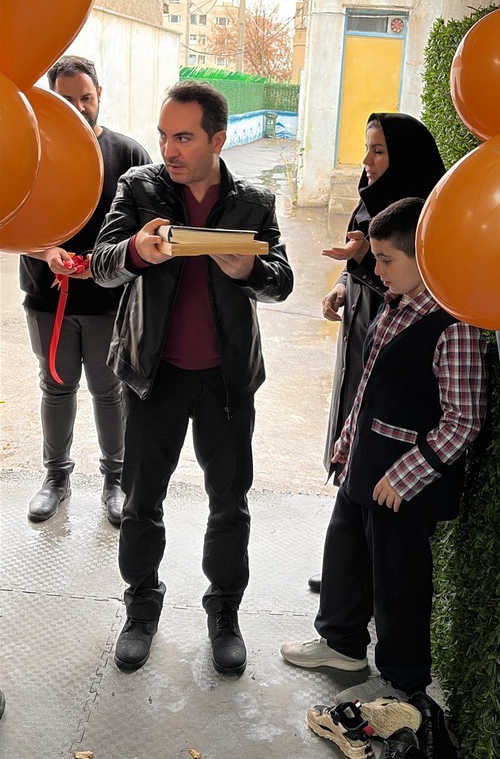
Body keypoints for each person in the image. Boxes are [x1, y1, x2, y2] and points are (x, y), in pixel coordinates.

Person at [90, 79, 294, 676]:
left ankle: (224, 612)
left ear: (218, 140)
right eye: (163, 136)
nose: (168, 150)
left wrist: (250, 270)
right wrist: (136, 251)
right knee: (141, 502)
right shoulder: (140, 188)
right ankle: (141, 608)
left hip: (226, 382)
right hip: (152, 375)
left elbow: (281, 281)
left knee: (229, 504)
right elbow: (102, 266)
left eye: (183, 138)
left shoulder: (254, 201)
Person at [281, 197, 487, 709]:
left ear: (425, 256)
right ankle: (341, 643)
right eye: (375, 258)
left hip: (402, 484)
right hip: (363, 464)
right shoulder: (395, 304)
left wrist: (405, 476)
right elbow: (369, 384)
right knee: (345, 551)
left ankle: (401, 680)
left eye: (387, 259)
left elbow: (464, 420)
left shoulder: (453, 325)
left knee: (400, 581)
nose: (377, 271)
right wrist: (347, 442)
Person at [309, 112, 446, 593]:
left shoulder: (423, 214)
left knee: (378, 442)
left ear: (405, 157)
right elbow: (362, 258)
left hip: (399, 343)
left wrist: (364, 261)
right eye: (367, 148)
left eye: (379, 151)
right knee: (353, 428)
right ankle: (346, 566)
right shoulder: (373, 200)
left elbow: (409, 277)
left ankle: (361, 572)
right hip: (366, 328)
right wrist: (343, 283)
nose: (367, 161)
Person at [21, 55, 151, 527]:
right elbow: (10, 222)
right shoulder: (30, 152)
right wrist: (46, 252)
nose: (78, 107)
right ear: (49, 100)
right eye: (66, 99)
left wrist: (104, 264)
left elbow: (149, 231)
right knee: (56, 387)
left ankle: (115, 479)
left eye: (86, 98)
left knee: (108, 390)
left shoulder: (130, 156)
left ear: (100, 96)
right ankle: (56, 478)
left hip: (107, 302)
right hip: (47, 296)